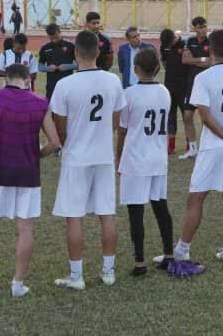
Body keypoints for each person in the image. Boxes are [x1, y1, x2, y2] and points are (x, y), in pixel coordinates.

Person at [0, 64, 62, 298]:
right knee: (25, 227)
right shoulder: (40, 102)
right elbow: (54, 142)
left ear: (5, 79)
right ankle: (17, 284)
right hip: (27, 172)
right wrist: (35, 154)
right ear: (28, 80)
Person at [50, 30, 126, 290]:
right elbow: (117, 120)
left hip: (76, 157)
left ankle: (76, 276)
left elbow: (59, 127)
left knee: (74, 217)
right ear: (98, 53)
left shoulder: (64, 85)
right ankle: (108, 272)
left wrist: (66, 143)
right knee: (106, 214)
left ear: (75, 53)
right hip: (103, 155)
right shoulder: (113, 80)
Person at [172, 29, 223, 266]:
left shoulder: (203, 77)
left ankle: (182, 249)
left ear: (210, 49)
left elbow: (205, 117)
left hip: (214, 147)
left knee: (195, 199)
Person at [116, 49, 175, 276]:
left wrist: (118, 158)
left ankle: (140, 262)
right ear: (157, 68)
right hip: (157, 158)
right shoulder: (164, 91)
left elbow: (122, 130)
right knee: (161, 206)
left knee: (136, 210)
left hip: (135, 158)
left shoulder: (129, 94)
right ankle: (168, 254)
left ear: (135, 69)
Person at [178, 16, 211, 160]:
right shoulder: (189, 41)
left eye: (204, 26)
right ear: (194, 28)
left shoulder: (211, 42)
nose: (203, 30)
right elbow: (185, 60)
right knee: (187, 116)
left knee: (206, 118)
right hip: (192, 84)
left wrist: (195, 61)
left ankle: (205, 147)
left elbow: (212, 61)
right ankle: (192, 148)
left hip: (207, 84)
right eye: (199, 27)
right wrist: (202, 60)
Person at [158, 29, 187, 154]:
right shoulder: (164, 47)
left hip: (184, 86)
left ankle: (189, 144)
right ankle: (171, 145)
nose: (168, 46)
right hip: (169, 85)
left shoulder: (185, 45)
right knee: (170, 115)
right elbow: (164, 63)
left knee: (187, 115)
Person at [38, 23, 77, 100]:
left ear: (60, 32)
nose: (54, 40)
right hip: (51, 86)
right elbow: (40, 66)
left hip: (68, 84)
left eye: (56, 37)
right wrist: (47, 68)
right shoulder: (45, 48)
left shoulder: (70, 46)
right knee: (52, 108)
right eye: (51, 38)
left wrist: (68, 66)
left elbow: (80, 64)